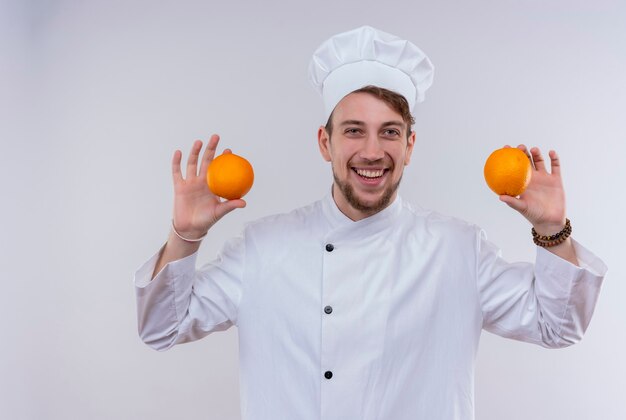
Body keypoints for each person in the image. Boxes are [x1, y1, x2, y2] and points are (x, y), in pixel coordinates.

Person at [134, 26, 606, 420]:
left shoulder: (458, 248)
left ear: (410, 145)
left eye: (390, 132)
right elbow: (160, 329)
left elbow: (557, 327)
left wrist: (552, 231)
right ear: (326, 142)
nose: (373, 151)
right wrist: (186, 237)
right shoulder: (262, 247)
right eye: (354, 130)